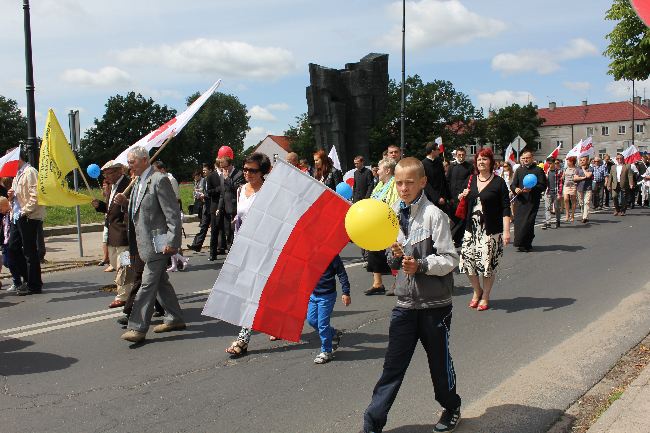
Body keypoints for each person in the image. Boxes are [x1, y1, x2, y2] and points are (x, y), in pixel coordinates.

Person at [362, 157, 461, 433]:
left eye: (409, 182)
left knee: (439, 365)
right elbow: (393, 261)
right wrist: (394, 259)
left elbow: (451, 259)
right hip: (404, 305)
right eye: (399, 182)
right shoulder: (392, 214)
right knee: (392, 368)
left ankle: (451, 406)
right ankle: (372, 423)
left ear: (422, 182)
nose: (404, 188)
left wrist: (422, 264)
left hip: (435, 307)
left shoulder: (434, 215)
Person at [114, 146, 186, 344]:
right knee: (160, 282)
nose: (130, 166)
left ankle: (137, 327)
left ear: (145, 160)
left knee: (147, 284)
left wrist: (172, 242)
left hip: (159, 242)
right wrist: (125, 202)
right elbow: (142, 210)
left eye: (132, 162)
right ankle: (175, 318)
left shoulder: (159, 180)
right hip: (144, 242)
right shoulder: (138, 181)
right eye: (128, 163)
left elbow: (172, 213)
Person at [225, 153, 273, 356]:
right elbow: (242, 215)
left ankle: (243, 339)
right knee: (257, 291)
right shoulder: (240, 190)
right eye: (245, 169)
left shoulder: (270, 192)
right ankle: (274, 324)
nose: (247, 173)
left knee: (252, 293)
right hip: (244, 247)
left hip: (265, 249)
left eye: (252, 170)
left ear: (263, 172)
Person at [457, 148, 510, 311]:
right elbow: (465, 199)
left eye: (485, 159)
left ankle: (485, 295)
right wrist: (462, 196)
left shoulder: (499, 182)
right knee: (467, 263)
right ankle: (476, 290)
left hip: (490, 231)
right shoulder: (471, 179)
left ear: (491, 162)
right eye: (479, 159)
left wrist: (507, 231)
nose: (481, 162)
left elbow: (506, 208)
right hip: (471, 229)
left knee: (487, 266)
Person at [91, 161, 134, 309]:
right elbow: (111, 210)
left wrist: (125, 202)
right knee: (117, 265)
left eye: (108, 173)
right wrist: (100, 206)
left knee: (125, 265)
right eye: (104, 173)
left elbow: (133, 205)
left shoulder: (128, 184)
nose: (106, 176)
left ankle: (123, 296)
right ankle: (130, 290)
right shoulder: (112, 187)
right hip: (113, 234)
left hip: (124, 233)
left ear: (118, 172)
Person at [7, 150, 44, 296]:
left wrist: (25, 211)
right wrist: (11, 195)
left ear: (17, 159)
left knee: (29, 251)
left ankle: (34, 285)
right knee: (13, 248)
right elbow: (18, 195)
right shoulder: (17, 174)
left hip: (28, 216)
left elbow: (36, 195)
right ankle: (28, 279)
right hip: (16, 216)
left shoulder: (30, 172)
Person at [364, 158, 399, 296]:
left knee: (394, 253)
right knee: (373, 251)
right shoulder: (379, 185)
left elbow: (395, 203)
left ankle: (398, 283)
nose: (377, 171)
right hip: (377, 223)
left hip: (389, 222)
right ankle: (377, 283)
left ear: (387, 170)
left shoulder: (395, 184)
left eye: (379, 169)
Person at [308, 254, 351, 364]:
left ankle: (326, 351)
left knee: (322, 324)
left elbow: (342, 274)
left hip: (327, 296)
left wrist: (346, 292)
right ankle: (333, 333)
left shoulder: (332, 255)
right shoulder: (309, 253)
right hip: (313, 294)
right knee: (312, 320)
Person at [510, 150, 547, 252]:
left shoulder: (538, 170)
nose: (525, 160)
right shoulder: (519, 170)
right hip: (521, 201)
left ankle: (527, 243)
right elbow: (513, 184)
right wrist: (515, 189)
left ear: (532, 158)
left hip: (532, 201)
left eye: (527, 158)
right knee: (519, 222)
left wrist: (533, 189)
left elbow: (543, 185)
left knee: (528, 223)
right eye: (524, 158)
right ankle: (519, 243)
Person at [217, 156, 245, 254]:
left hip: (235, 207)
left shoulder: (239, 174)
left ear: (229, 165)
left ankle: (238, 251)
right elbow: (222, 193)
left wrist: (227, 178)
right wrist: (219, 207)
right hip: (225, 208)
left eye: (222, 164)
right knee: (228, 231)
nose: (221, 166)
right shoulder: (222, 175)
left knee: (236, 230)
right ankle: (230, 251)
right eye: (220, 164)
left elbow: (237, 188)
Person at [187, 163, 215, 254]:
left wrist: (204, 195)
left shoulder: (213, 179)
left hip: (212, 206)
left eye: (205, 170)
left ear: (210, 170)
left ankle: (218, 247)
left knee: (215, 229)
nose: (203, 172)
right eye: (203, 170)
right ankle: (196, 245)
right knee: (203, 226)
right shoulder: (205, 180)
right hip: (206, 206)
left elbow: (215, 192)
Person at [446, 147, 472, 247]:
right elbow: (448, 181)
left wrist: (466, 194)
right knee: (454, 219)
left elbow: (470, 181)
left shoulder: (469, 167)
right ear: (456, 155)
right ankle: (453, 238)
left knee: (462, 219)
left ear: (465, 155)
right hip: (453, 198)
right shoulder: (452, 166)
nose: (461, 157)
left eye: (462, 155)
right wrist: (449, 197)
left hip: (463, 197)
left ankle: (456, 239)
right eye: (459, 155)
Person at [422, 141, 450, 211]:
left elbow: (443, 180)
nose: (439, 151)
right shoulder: (423, 164)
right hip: (431, 199)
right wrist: (437, 198)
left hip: (443, 199)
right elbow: (426, 184)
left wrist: (449, 196)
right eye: (438, 149)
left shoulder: (438, 162)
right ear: (432, 151)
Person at [543, 159, 563, 229]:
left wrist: (560, 193)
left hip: (556, 192)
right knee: (547, 207)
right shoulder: (547, 171)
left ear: (554, 163)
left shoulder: (559, 171)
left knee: (557, 208)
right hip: (548, 192)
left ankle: (558, 220)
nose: (549, 165)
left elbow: (560, 183)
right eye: (548, 163)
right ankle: (548, 222)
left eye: (550, 163)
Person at [575, 156, 593, 223]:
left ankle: (585, 217)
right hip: (579, 188)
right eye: (581, 160)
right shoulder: (577, 169)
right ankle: (584, 215)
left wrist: (583, 169)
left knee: (587, 202)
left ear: (587, 161)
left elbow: (588, 175)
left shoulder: (590, 168)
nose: (582, 161)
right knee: (581, 203)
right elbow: (575, 178)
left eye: (583, 160)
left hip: (588, 188)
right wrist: (583, 178)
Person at [562, 156, 579, 223]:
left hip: (573, 186)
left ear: (572, 162)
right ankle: (567, 214)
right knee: (566, 199)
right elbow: (563, 176)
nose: (567, 162)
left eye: (568, 161)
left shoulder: (576, 169)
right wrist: (562, 177)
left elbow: (576, 177)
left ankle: (572, 215)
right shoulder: (566, 168)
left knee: (573, 200)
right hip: (566, 185)